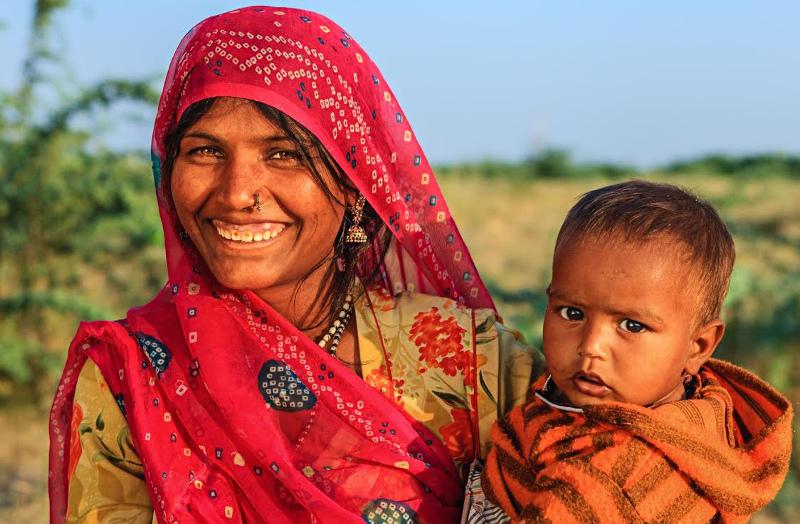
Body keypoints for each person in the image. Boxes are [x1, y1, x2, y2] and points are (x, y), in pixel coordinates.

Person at [48, 6, 542, 524]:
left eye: (284, 154)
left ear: (355, 185)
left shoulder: (470, 362)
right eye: (204, 151)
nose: (237, 193)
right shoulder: (131, 373)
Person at [479, 180, 793, 523]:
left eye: (632, 326)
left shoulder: (630, 474)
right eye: (572, 313)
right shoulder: (575, 401)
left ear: (698, 346)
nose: (591, 347)